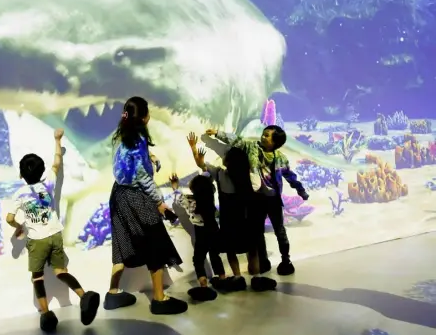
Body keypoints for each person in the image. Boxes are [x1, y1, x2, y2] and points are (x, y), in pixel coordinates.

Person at [6, 128, 100, 333]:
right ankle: (84, 296)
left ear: (21, 173)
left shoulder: (20, 194)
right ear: (41, 171)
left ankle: (46, 314)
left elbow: (9, 218)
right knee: (61, 272)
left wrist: (19, 227)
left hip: (37, 240)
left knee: (37, 277)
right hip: (55, 234)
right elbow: (57, 163)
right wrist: (57, 140)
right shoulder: (48, 181)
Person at [104, 96, 188, 315]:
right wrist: (159, 202)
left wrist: (150, 158)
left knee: (121, 245)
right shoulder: (138, 139)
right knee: (156, 243)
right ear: (144, 117)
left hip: (118, 195)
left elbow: (127, 163)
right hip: (136, 198)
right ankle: (159, 299)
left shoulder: (122, 136)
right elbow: (142, 177)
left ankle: (112, 293)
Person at [203, 125, 309, 276]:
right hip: (257, 199)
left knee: (280, 231)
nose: (263, 137)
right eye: (264, 134)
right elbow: (236, 141)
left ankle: (286, 260)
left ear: (275, 142)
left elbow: (290, 176)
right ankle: (263, 262)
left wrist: (300, 190)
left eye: (267, 136)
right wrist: (218, 133)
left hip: (273, 200)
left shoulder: (280, 158)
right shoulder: (252, 147)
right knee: (258, 233)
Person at [169, 172, 224, 301]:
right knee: (215, 255)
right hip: (214, 230)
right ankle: (223, 279)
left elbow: (178, 198)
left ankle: (203, 284)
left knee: (198, 259)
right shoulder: (210, 197)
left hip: (201, 232)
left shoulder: (190, 200)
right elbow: (209, 185)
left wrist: (175, 186)